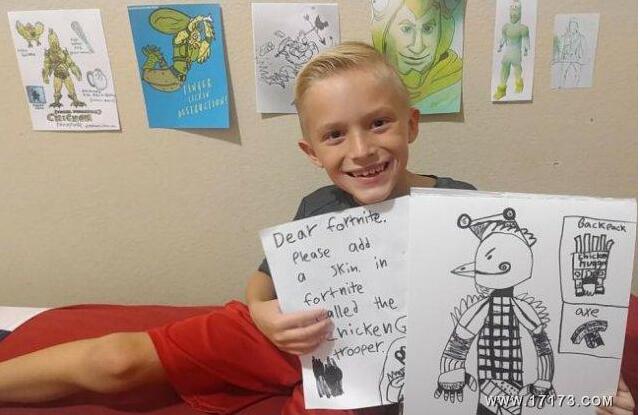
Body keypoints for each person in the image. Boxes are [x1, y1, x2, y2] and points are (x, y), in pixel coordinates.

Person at [0, 42, 635, 415]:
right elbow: (261, 282)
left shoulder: (462, 203)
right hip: (309, 337)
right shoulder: (317, 209)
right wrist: (263, 313)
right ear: (312, 151)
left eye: (379, 123)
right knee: (116, 360)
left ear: (411, 125)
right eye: (335, 134)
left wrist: (592, 382)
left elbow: (528, 295)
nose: (361, 150)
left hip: (408, 370)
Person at [371, 0, 463, 114]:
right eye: (406, 29)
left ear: (442, 32)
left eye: (428, 28)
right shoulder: (373, 85)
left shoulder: (453, 83)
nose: (417, 48)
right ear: (385, 33)